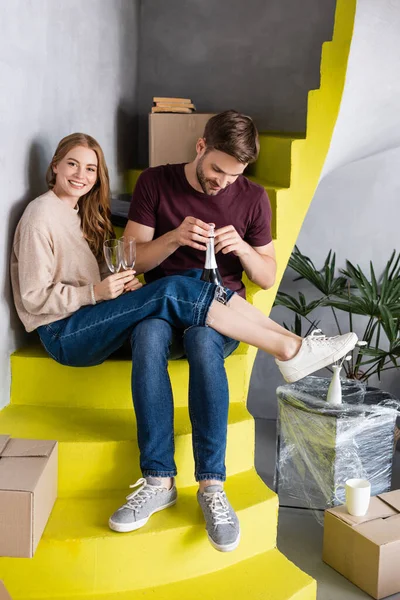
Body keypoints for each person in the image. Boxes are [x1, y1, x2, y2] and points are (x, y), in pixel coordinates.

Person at [120, 112, 357, 552]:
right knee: (148, 335)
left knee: (202, 339)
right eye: (216, 170)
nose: (222, 183)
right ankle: (158, 479)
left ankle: (211, 486)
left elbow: (266, 277)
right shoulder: (155, 182)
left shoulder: (253, 198)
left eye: (234, 175)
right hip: (163, 304)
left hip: (224, 313)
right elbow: (133, 261)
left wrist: (244, 249)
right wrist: (173, 238)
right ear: (200, 147)